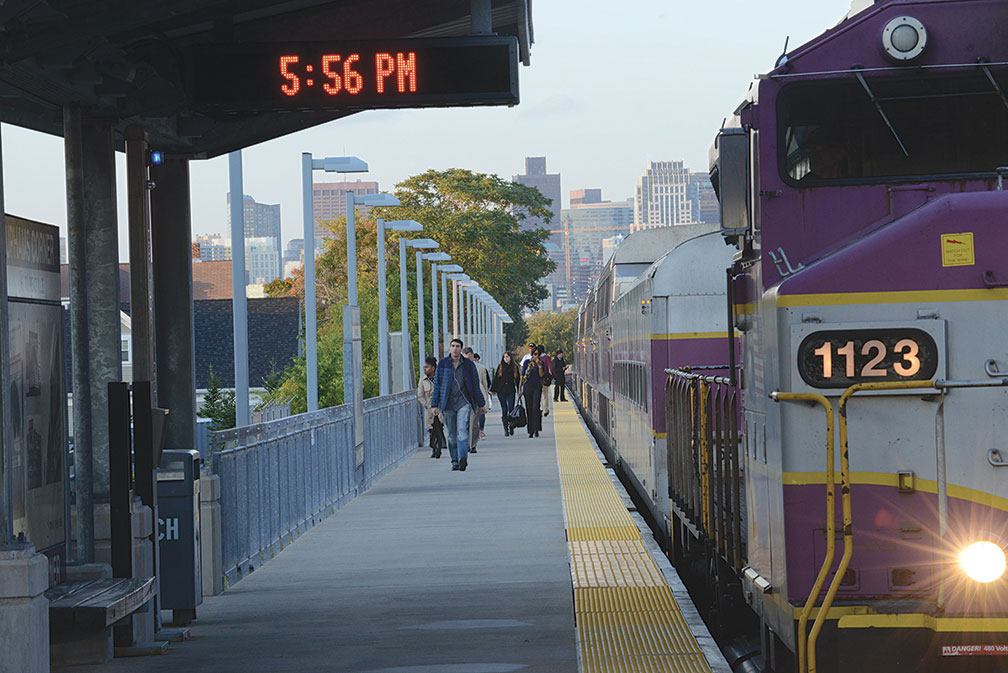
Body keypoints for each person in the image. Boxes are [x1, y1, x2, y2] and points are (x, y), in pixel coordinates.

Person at [431, 338, 486, 471]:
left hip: (464, 402)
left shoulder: (468, 365)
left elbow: (475, 385)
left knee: (462, 431)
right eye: (453, 346)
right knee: (451, 435)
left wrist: (481, 404)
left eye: (457, 346)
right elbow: (437, 384)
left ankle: (463, 458)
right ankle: (454, 461)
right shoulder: (443, 364)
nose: (455, 348)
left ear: (461, 349)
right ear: (450, 348)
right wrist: (435, 404)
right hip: (448, 403)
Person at [463, 347, 491, 452]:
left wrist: (485, 401)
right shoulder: (459, 368)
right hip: (463, 399)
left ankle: (472, 444)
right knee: (464, 423)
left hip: (476, 398)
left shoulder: (480, 368)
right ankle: (465, 443)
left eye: (470, 358)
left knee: (474, 423)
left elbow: (484, 384)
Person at [416, 356, 443, 458]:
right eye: (424, 367)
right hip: (429, 410)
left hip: (440, 409)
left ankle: (438, 448)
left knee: (439, 428)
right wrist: (426, 405)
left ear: (433, 368)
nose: (425, 369)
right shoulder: (423, 380)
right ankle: (434, 447)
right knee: (431, 430)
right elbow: (420, 395)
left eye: (427, 367)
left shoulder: (440, 378)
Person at [492, 351, 521, 435]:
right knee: (504, 410)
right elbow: (496, 379)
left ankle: (511, 426)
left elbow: (517, 379)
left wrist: (519, 389)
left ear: (510, 358)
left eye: (507, 357)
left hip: (510, 391)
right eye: (504, 357)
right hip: (501, 391)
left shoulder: (514, 367)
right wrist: (492, 389)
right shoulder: (500, 367)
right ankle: (506, 428)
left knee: (511, 410)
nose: (506, 358)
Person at [521, 349, 546, 438]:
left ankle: (536, 429)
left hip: (537, 387)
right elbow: (523, 375)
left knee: (536, 407)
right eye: (535, 354)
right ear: (532, 354)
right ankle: (530, 430)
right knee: (529, 408)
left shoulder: (541, 363)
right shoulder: (527, 362)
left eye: (538, 354)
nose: (536, 356)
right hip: (528, 387)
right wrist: (520, 389)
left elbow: (542, 375)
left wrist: (539, 366)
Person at [474, 353, 492, 439]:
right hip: (469, 395)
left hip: (481, 392)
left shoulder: (481, 368)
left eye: (476, 359)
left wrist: (487, 392)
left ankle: (481, 430)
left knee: (481, 413)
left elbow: (486, 382)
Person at [539, 345, 553, 418]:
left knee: (539, 395)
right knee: (545, 395)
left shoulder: (536, 358)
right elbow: (551, 368)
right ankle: (545, 410)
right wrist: (552, 376)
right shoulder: (547, 358)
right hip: (545, 379)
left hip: (537, 379)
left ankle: (540, 408)